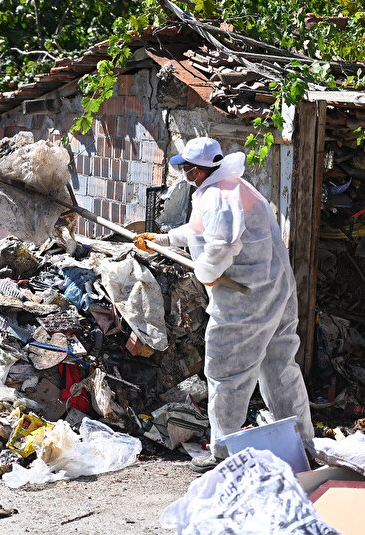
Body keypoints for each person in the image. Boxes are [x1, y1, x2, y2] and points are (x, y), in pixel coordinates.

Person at [133, 137, 314, 473]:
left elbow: (221, 242)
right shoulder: (232, 186)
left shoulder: (218, 195)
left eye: (188, 169)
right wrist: (163, 239)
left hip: (246, 296)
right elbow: (201, 230)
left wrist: (207, 273)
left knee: (226, 372)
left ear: (202, 170)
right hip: (275, 289)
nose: (185, 175)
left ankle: (223, 452)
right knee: (280, 368)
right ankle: (303, 443)